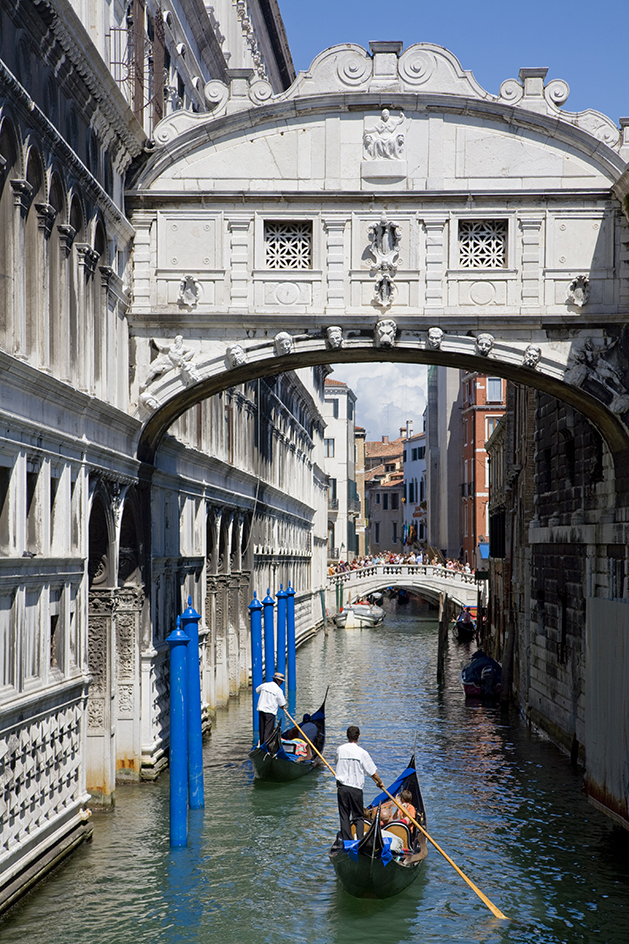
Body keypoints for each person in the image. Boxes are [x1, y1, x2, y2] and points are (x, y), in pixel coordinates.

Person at [335, 725, 384, 840]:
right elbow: (372, 772)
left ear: (347, 736)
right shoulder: (362, 753)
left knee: (344, 816)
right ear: (358, 737)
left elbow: (336, 761)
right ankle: (360, 840)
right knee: (358, 817)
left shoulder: (340, 749)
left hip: (342, 788)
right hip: (355, 789)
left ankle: (347, 841)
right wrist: (380, 782)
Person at [256, 672, 286, 745]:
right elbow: (282, 703)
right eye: (281, 681)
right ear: (278, 681)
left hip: (261, 710)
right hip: (270, 712)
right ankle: (266, 746)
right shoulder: (278, 690)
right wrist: (282, 706)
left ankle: (262, 744)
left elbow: (257, 690)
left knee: (262, 729)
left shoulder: (265, 685)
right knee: (268, 730)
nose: (282, 683)